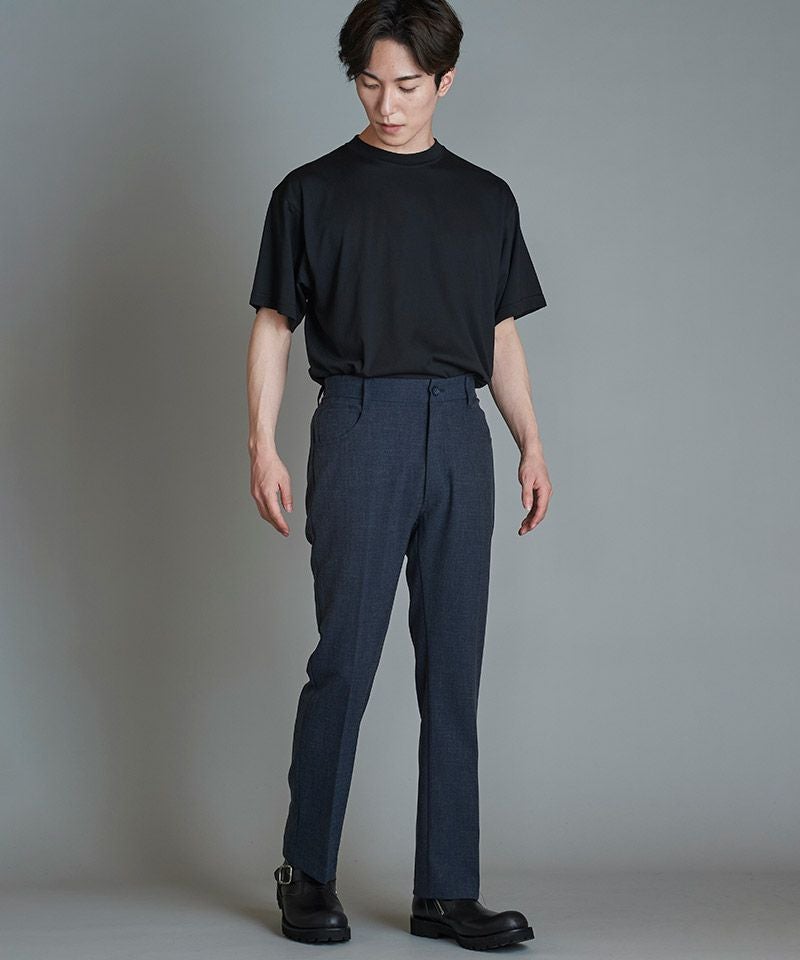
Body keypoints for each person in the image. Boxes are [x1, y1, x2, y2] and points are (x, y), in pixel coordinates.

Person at [246, 0, 552, 949]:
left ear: (445, 81)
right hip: (361, 423)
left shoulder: (486, 199)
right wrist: (260, 442)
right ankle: (307, 874)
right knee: (344, 658)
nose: (387, 104)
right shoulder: (310, 192)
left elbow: (499, 331)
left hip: (459, 430)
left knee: (454, 668)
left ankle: (446, 893)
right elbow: (273, 324)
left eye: (408, 85)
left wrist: (530, 440)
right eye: (370, 82)